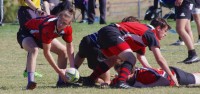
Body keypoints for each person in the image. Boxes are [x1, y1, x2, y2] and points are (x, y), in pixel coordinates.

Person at [82, 17, 179, 89]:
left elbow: (141, 57)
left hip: (104, 33)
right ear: (158, 28)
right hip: (111, 32)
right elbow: (159, 58)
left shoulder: (143, 33)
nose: (165, 34)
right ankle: (121, 82)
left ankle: (90, 80)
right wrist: (171, 75)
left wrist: (152, 71)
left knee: (112, 60)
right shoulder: (150, 33)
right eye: (165, 31)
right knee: (131, 58)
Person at [74, 16, 144, 86]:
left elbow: (80, 54)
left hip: (86, 40)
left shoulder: (116, 29)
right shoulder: (125, 35)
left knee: (81, 55)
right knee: (106, 79)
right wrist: (125, 72)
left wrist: (73, 67)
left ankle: (73, 71)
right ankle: (92, 80)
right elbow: (115, 60)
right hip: (96, 48)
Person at [17, 9, 75, 90]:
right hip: (26, 33)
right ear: (58, 17)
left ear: (69, 24)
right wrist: (59, 71)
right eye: (60, 21)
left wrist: (73, 67)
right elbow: (46, 53)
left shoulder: (68, 29)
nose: (60, 24)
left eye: (64, 23)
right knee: (34, 49)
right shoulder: (48, 27)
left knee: (63, 51)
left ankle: (61, 82)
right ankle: (31, 82)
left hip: (41, 35)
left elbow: (70, 46)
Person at [17, 0, 47, 82]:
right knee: (32, 38)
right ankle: (29, 72)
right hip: (27, 10)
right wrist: (37, 10)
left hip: (35, 10)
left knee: (33, 40)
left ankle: (28, 70)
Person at [112, 64, 200, 88]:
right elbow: (112, 83)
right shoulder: (120, 79)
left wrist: (145, 87)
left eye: (122, 72)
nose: (120, 75)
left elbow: (164, 80)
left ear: (131, 71)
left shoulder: (144, 75)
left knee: (196, 79)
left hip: (176, 77)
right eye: (119, 73)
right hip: (167, 73)